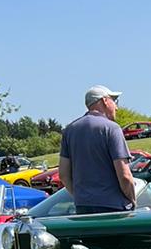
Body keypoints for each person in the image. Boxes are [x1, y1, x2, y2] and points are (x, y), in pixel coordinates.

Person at [57, 85, 135, 215]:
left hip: (83, 208)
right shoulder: (112, 128)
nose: (116, 107)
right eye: (114, 101)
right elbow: (125, 176)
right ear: (104, 101)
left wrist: (80, 197)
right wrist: (133, 201)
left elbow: (63, 175)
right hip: (113, 209)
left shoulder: (70, 130)